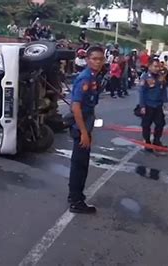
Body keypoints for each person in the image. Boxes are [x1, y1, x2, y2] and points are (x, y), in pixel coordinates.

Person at [68, 46, 105, 214]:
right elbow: (76, 107)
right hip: (80, 128)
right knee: (80, 165)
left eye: (100, 59)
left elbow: (89, 107)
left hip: (85, 126)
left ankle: (75, 196)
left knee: (80, 164)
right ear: (88, 59)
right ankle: (76, 201)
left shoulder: (93, 78)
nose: (97, 62)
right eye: (94, 59)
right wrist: (84, 132)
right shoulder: (85, 79)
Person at [139, 58, 168, 152]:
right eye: (155, 66)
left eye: (158, 66)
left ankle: (157, 141)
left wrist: (164, 102)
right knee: (146, 125)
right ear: (150, 66)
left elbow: (163, 89)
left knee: (160, 124)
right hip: (148, 105)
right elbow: (142, 92)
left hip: (158, 105)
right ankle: (147, 143)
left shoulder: (160, 77)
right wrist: (142, 106)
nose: (157, 68)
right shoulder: (145, 77)